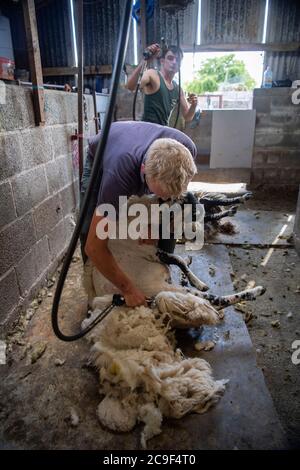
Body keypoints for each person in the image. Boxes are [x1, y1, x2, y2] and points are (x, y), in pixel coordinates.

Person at [82, 120, 197, 308]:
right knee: (89, 227)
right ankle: (94, 289)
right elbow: (94, 247)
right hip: (103, 154)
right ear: (144, 172)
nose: (165, 198)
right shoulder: (118, 178)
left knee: (171, 215)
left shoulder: (187, 150)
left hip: (134, 145)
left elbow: (169, 197)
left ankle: (160, 272)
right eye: (160, 193)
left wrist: (151, 221)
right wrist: (128, 289)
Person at [126, 43, 198, 127]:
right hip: (147, 129)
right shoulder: (152, 74)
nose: (174, 62)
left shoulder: (178, 89)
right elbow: (130, 86)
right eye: (170, 58)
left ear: (180, 65)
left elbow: (187, 117)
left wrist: (194, 105)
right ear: (162, 61)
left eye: (178, 59)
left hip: (163, 130)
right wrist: (146, 60)